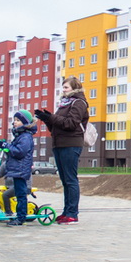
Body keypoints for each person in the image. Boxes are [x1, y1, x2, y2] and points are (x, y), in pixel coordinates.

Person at [34, 76, 88, 225]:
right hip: (59, 144)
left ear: (75, 88)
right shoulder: (64, 104)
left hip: (71, 144)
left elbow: (70, 124)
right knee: (65, 180)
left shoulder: (79, 103)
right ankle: (66, 212)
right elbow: (57, 126)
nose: (63, 90)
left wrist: (51, 117)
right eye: (63, 87)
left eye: (66, 88)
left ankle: (72, 213)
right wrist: (46, 118)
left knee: (71, 179)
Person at [0, 110, 37, 226]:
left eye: (18, 120)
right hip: (17, 169)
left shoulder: (25, 137)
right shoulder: (20, 136)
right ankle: (18, 215)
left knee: (21, 194)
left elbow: (20, 152)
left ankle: (21, 217)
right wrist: (5, 146)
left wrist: (7, 146)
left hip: (21, 169)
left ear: (25, 123)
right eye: (14, 120)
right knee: (19, 193)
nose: (14, 122)